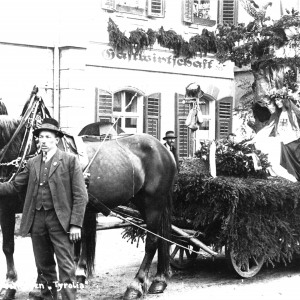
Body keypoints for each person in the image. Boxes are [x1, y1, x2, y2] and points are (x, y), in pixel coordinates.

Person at [0, 118, 88, 300]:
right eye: (40, 137)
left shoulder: (70, 161)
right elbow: (15, 186)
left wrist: (76, 225)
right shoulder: (32, 163)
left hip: (60, 222)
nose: (44, 141)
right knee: (44, 267)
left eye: (48, 137)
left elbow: (81, 196)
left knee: (66, 269)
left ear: (57, 139)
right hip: (37, 222)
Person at [247, 90, 300, 182]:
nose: (277, 102)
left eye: (279, 100)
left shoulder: (294, 113)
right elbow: (267, 128)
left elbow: (296, 131)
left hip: (292, 143)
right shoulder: (276, 114)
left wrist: (285, 139)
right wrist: (254, 140)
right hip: (281, 141)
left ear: (285, 100)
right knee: (265, 143)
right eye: (275, 100)